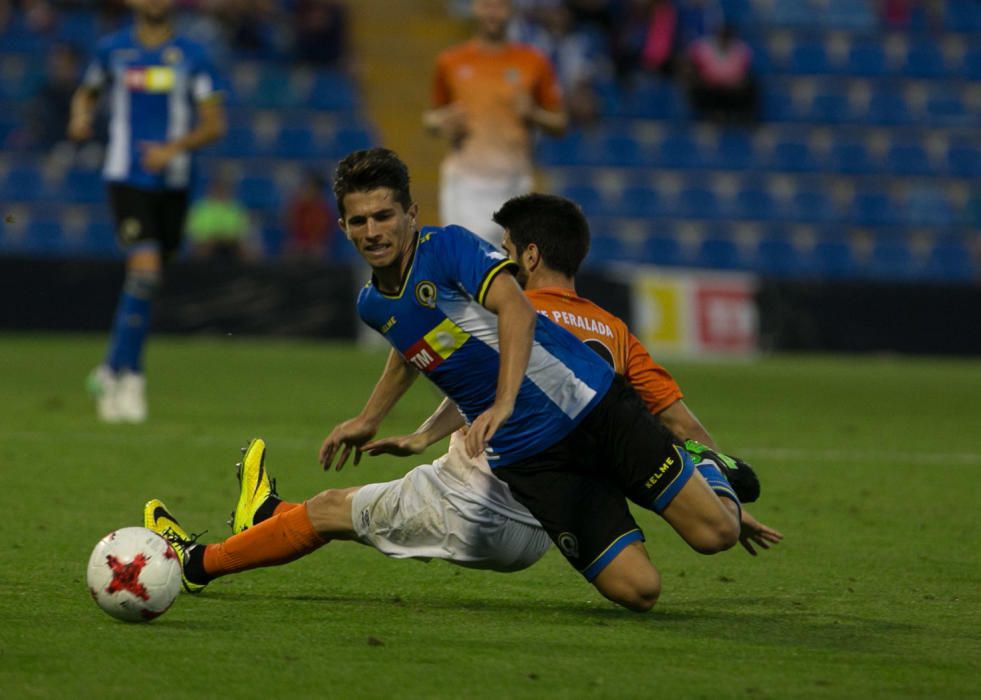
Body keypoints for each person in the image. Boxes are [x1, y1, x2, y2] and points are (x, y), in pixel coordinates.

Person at [141, 187, 780, 600]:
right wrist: (388, 420)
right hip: (536, 465)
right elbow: (441, 348)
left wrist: (481, 412)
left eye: (384, 215)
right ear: (344, 225)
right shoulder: (609, 327)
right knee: (643, 589)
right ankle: (257, 524)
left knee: (713, 536)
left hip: (574, 430)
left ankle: (209, 556)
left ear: (524, 257)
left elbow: (507, 330)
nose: (372, 230)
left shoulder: (473, 269)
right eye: (359, 220)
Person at [68, 0, 226, 423]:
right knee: (145, 272)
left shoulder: (193, 56)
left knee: (148, 281)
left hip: (174, 182)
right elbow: (87, 92)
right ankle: (128, 376)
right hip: (126, 177)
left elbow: (214, 124)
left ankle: (114, 370)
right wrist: (80, 116)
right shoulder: (112, 50)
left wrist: (172, 150)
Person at [423, 0, 568, 248]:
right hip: (464, 184)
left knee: (509, 271)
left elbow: (560, 122)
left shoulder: (533, 61)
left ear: (511, 10)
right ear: (475, 8)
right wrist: (443, 121)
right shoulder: (451, 61)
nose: (493, 12)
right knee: (467, 267)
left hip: (514, 182)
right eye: (486, 5)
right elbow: (431, 118)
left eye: (500, 6)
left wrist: (533, 113)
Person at [682, 22, 759, 124]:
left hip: (732, 89)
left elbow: (744, 74)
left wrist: (733, 82)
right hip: (709, 87)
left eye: (727, 36)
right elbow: (691, 67)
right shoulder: (703, 47)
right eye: (722, 36)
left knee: (751, 85)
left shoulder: (741, 49)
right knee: (698, 87)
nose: (724, 39)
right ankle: (708, 115)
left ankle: (742, 117)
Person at [186, 175, 257, 261]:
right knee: (204, 247)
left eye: (224, 188)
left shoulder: (237, 208)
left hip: (231, 245)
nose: (221, 191)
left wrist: (227, 237)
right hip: (207, 244)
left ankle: (248, 273)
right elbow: (196, 234)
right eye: (219, 188)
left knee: (245, 249)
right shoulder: (201, 208)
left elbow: (243, 233)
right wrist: (215, 237)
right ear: (211, 189)